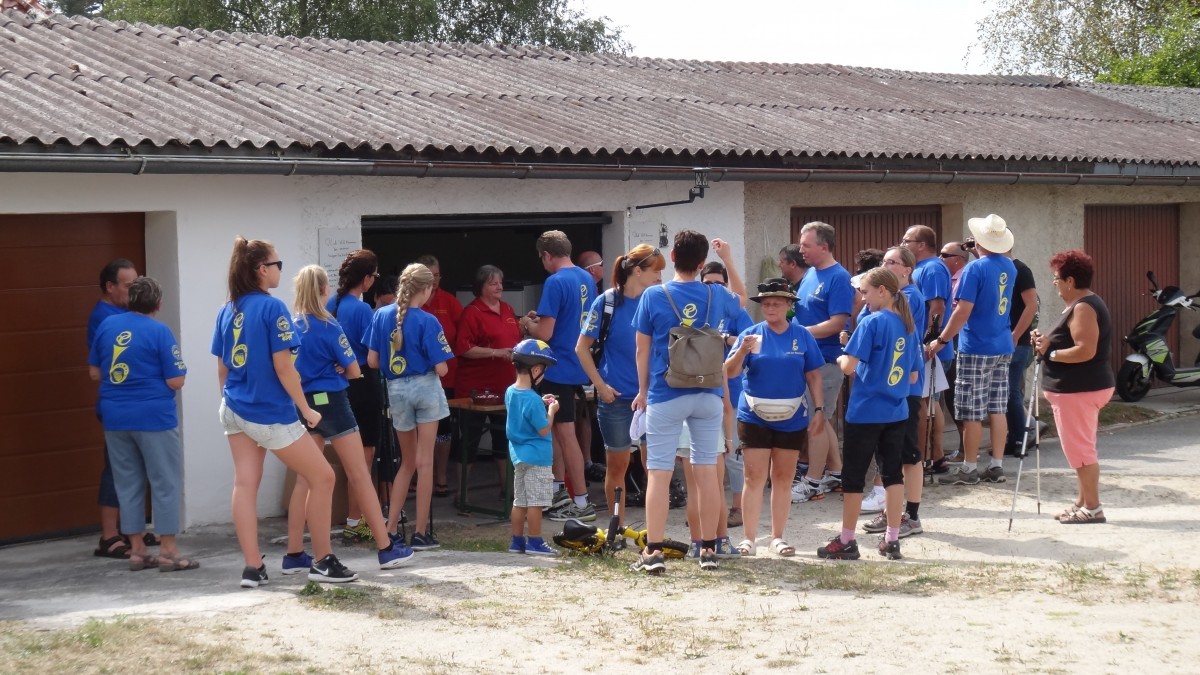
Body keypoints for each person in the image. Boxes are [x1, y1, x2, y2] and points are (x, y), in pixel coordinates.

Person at [212, 237, 357, 587]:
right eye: (277, 264)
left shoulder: (227, 309)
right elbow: (283, 367)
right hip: (269, 412)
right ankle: (323, 561)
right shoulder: (272, 307)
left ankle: (252, 568)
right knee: (323, 477)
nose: (280, 269)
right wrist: (306, 409)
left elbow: (222, 368)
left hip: (233, 407)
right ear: (262, 269)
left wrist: (233, 403)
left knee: (244, 484)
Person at [290, 265, 414, 569]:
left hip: (303, 404)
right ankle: (386, 547)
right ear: (323, 290)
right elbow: (355, 369)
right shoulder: (329, 325)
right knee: (359, 472)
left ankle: (293, 553)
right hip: (332, 402)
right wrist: (340, 367)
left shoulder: (291, 327)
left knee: (305, 479)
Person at [632, 230, 741, 573]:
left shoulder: (654, 295)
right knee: (707, 472)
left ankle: (653, 551)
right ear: (701, 262)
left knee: (659, 473)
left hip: (666, 392)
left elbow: (642, 350)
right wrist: (728, 260)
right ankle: (708, 548)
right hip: (708, 392)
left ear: (673, 258)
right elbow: (741, 298)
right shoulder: (716, 293)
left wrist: (642, 390)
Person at [88, 276, 195, 571]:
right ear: (157, 304)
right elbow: (176, 380)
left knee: (127, 482)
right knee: (164, 482)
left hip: (115, 417)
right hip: (153, 417)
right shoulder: (159, 331)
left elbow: (94, 372)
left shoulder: (107, 325)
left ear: (130, 300)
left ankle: (137, 550)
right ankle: (168, 552)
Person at [818, 267, 919, 561]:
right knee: (892, 475)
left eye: (865, 292)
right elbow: (913, 376)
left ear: (882, 291)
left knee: (853, 478)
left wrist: (841, 356)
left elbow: (849, 366)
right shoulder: (907, 325)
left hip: (865, 412)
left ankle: (847, 540)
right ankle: (892, 539)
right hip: (896, 411)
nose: (862, 298)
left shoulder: (872, 322)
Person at [724, 279, 824, 557]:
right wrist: (742, 351)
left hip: (792, 416)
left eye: (777, 303)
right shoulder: (750, 334)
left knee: (782, 477)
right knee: (753, 476)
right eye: (766, 303)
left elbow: (814, 375)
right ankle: (748, 539)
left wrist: (819, 409)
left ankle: (777, 537)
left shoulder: (802, 335)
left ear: (789, 305)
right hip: (753, 414)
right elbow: (730, 372)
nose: (770, 308)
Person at [366, 262, 454, 550]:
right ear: (426, 289)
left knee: (406, 463)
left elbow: (372, 361)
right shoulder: (429, 320)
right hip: (425, 388)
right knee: (425, 462)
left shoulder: (381, 315)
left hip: (397, 391)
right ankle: (420, 533)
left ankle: (391, 528)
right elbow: (442, 369)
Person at [577, 244, 664, 521]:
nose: (660, 277)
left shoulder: (657, 300)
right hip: (615, 399)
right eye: (656, 271)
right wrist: (600, 386)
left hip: (653, 399)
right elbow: (581, 348)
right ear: (637, 271)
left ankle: (654, 532)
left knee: (656, 468)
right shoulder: (607, 302)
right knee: (617, 467)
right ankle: (617, 529)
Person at [932, 215, 1018, 486]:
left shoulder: (974, 269)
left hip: (977, 345)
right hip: (1002, 343)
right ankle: (996, 465)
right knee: (997, 407)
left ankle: (969, 468)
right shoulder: (1009, 265)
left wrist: (941, 340)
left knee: (971, 410)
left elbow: (963, 311)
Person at [1032, 250, 1114, 524]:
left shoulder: (1083, 307)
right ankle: (1082, 502)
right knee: (1079, 449)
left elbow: (1085, 350)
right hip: (1077, 389)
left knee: (1080, 450)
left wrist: (1050, 353)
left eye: (1057, 278)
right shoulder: (1080, 305)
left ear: (1070, 280)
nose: (1054, 283)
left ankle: (1093, 507)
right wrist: (1046, 343)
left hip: (1079, 389)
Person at [521, 231, 597, 522]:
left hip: (558, 366)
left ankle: (581, 501)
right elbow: (574, 319)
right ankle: (558, 490)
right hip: (579, 363)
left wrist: (527, 324)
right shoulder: (586, 278)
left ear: (546, 255)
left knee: (564, 433)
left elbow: (545, 333)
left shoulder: (555, 281)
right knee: (558, 431)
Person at [852, 247, 928, 535]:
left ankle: (910, 515)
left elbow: (905, 343)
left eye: (893, 262)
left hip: (902, 390)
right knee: (893, 458)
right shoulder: (883, 305)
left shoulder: (908, 299)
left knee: (907, 455)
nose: (886, 264)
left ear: (907, 269)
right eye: (884, 261)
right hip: (896, 389)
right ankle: (893, 513)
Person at [88, 258, 151, 560]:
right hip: (118, 407)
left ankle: (131, 530)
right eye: (128, 286)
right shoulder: (105, 318)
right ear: (110, 287)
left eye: (137, 284)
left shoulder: (125, 314)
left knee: (134, 468)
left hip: (133, 407)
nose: (134, 290)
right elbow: (101, 368)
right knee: (116, 469)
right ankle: (109, 536)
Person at [790, 221, 850, 503]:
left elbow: (838, 322)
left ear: (824, 247)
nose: (800, 250)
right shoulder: (811, 273)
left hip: (825, 361)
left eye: (806, 245)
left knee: (817, 420)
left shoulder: (838, 277)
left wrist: (800, 333)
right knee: (821, 419)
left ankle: (813, 481)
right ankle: (837, 472)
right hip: (807, 359)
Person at [325, 249, 382, 542]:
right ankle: (356, 522)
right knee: (364, 459)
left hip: (336, 386)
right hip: (362, 383)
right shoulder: (362, 310)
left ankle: (354, 521)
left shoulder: (329, 304)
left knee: (349, 459)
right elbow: (374, 355)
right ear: (367, 278)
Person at [455, 264, 522, 492]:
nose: (499, 287)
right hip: (475, 389)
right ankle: (462, 494)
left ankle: (507, 490)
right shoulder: (472, 312)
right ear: (481, 287)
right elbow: (464, 348)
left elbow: (515, 339)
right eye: (493, 283)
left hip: (505, 387)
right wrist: (495, 352)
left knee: (503, 438)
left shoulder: (508, 309)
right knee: (470, 440)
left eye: (500, 282)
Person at [702, 261, 753, 529]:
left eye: (720, 283)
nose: (714, 288)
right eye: (708, 283)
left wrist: (724, 338)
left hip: (732, 391)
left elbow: (751, 341)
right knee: (706, 455)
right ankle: (710, 509)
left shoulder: (735, 311)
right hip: (703, 390)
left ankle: (738, 508)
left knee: (732, 454)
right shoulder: (697, 309)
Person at [904, 225, 954, 474]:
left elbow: (937, 308)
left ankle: (929, 456)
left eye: (907, 241)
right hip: (926, 347)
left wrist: (929, 341)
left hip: (930, 348)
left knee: (927, 403)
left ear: (921, 244)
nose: (903, 244)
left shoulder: (932, 268)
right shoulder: (922, 268)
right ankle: (935, 456)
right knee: (930, 402)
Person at [505, 339, 561, 556]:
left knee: (520, 501)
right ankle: (535, 541)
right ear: (536, 369)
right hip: (538, 457)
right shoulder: (533, 400)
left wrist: (540, 402)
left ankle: (517, 541)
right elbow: (544, 428)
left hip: (518, 456)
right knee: (536, 503)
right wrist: (551, 411)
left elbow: (525, 409)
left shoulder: (511, 392)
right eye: (543, 370)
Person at [415, 255, 463, 503]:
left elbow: (462, 336)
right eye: (429, 275)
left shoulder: (450, 302)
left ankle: (441, 476)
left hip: (447, 378)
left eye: (437, 275)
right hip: (417, 381)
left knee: (443, 430)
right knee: (417, 431)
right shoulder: (411, 305)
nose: (434, 280)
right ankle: (419, 475)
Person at [1004, 251, 1039, 456]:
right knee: (1004, 393)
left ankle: (1022, 437)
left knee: (1011, 391)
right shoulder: (996, 267)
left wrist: (1015, 335)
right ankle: (1014, 437)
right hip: (1003, 341)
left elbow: (1031, 305)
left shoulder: (1021, 269)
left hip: (1017, 342)